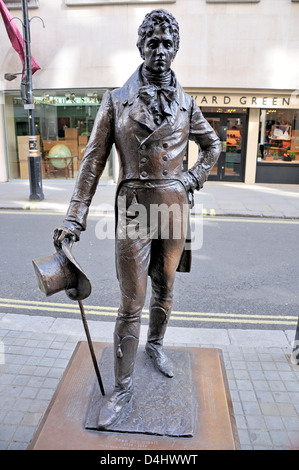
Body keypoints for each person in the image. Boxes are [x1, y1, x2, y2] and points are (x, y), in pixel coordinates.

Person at [54, 9, 221, 429]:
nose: (161, 51)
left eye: (168, 43)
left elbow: (213, 146)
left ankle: (156, 345)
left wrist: (190, 178)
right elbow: (91, 163)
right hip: (133, 209)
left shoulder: (187, 102)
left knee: (165, 287)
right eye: (153, 43)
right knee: (131, 301)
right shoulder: (116, 100)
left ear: (176, 48)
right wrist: (75, 218)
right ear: (141, 47)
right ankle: (122, 388)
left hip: (175, 207)